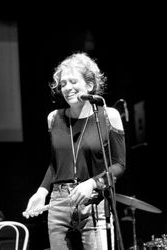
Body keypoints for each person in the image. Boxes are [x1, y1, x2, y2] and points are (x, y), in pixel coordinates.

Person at [24, 52, 126, 250]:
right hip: (59, 202)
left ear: (89, 85)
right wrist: (41, 192)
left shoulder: (108, 115)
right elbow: (56, 164)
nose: (67, 88)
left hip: (94, 201)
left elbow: (119, 164)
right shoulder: (53, 118)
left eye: (73, 81)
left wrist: (93, 183)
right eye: (62, 84)